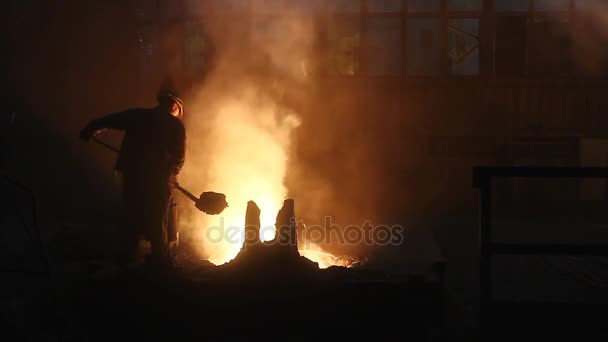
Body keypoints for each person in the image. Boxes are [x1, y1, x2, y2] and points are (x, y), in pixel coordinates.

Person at [80, 85, 186, 269]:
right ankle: (159, 259)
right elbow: (178, 157)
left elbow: (109, 120)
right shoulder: (174, 125)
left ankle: (128, 257)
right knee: (158, 217)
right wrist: (171, 174)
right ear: (175, 106)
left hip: (133, 174)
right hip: (157, 178)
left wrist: (92, 128)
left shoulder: (139, 115)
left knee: (131, 213)